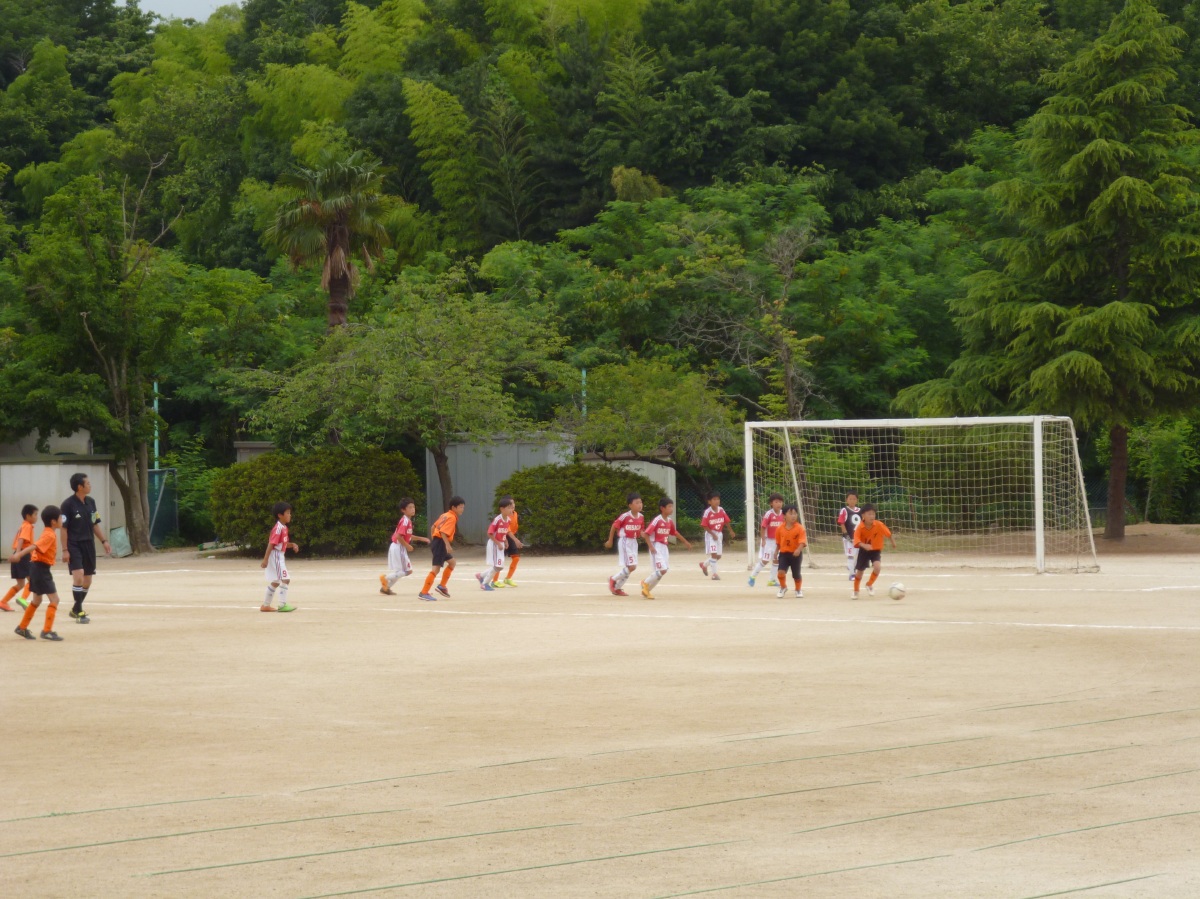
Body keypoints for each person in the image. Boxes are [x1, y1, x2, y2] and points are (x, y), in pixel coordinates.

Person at [60, 472, 112, 624]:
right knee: (79, 576)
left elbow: (94, 524)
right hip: (74, 544)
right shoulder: (67, 504)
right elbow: (63, 529)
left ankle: (75, 608)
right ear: (79, 487)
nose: (90, 485)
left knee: (87, 581)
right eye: (88, 483)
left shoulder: (91, 502)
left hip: (88, 544)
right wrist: (65, 550)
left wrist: (104, 541)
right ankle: (79, 612)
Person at [11, 505, 64, 641]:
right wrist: (19, 554)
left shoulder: (48, 531)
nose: (62, 520)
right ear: (53, 521)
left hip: (36, 568)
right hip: (41, 569)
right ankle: (47, 630)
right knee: (55, 600)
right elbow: (34, 546)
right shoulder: (49, 535)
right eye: (60, 518)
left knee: (37, 600)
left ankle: (22, 627)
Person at [641, 497, 693, 600]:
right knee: (662, 570)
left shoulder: (669, 521)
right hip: (656, 546)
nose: (671, 509)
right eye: (669, 506)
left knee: (661, 572)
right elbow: (646, 534)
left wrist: (685, 542)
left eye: (672, 506)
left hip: (664, 547)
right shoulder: (657, 520)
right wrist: (651, 546)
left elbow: (674, 532)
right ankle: (645, 583)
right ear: (662, 508)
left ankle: (647, 590)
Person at [380, 498, 429, 595]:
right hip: (399, 547)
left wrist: (421, 539)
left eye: (413, 507)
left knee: (399, 572)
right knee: (408, 571)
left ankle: (386, 588)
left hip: (397, 546)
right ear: (403, 510)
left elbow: (408, 535)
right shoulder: (405, 521)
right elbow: (398, 536)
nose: (413, 509)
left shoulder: (407, 521)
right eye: (410, 507)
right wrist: (407, 546)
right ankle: (385, 578)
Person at [419, 497, 464, 601]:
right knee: (436, 569)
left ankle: (442, 586)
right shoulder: (451, 518)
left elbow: (433, 527)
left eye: (463, 507)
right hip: (441, 543)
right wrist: (447, 545)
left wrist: (434, 540)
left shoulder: (445, 515)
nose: (463, 509)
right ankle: (424, 592)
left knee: (452, 562)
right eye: (461, 507)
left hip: (438, 542)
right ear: (453, 507)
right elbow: (443, 532)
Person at [852, 503, 897, 599]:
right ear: (863, 515)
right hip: (864, 551)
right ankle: (856, 591)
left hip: (875, 550)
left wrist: (893, 543)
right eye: (869, 514)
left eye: (873, 514)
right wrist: (864, 545)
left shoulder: (879, 525)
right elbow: (856, 540)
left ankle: (869, 584)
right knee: (860, 572)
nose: (872, 516)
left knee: (877, 567)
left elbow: (889, 534)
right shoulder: (860, 527)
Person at [605, 493, 646, 597]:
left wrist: (644, 534)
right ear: (630, 505)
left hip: (634, 542)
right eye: (637, 503)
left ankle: (617, 588)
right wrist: (610, 540)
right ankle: (613, 579)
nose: (640, 504)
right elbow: (614, 526)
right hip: (625, 541)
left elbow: (641, 530)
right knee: (632, 566)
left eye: (640, 502)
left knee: (631, 567)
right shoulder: (625, 516)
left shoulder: (641, 517)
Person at [260, 502, 298, 612]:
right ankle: (282, 605)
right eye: (287, 513)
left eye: (290, 513)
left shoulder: (284, 527)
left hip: (279, 555)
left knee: (276, 581)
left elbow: (282, 544)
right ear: (280, 515)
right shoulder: (278, 528)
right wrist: (265, 559)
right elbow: (271, 544)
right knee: (286, 579)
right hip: (276, 555)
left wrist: (292, 545)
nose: (290, 515)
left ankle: (265, 605)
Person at [2, 505, 38, 612]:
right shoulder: (27, 526)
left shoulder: (23, 525)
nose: (37, 517)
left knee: (21, 583)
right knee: (33, 580)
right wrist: (18, 554)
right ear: (28, 516)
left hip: (19, 554)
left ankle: (3, 602)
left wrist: (16, 553)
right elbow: (22, 539)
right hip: (23, 555)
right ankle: (23, 599)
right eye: (35, 514)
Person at [477, 497, 515, 592]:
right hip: (494, 544)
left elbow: (503, 532)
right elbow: (489, 533)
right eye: (509, 508)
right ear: (502, 509)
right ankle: (485, 583)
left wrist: (505, 541)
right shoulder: (497, 520)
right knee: (498, 566)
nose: (511, 510)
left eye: (511, 508)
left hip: (500, 544)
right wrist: (498, 543)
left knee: (499, 566)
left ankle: (481, 576)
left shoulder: (508, 520)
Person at [748, 493, 786, 588]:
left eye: (780, 502)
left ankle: (771, 580)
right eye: (776, 502)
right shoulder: (769, 514)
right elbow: (763, 527)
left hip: (778, 542)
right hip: (768, 541)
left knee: (776, 560)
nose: (778, 504)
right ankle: (752, 576)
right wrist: (763, 539)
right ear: (771, 503)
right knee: (765, 560)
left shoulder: (783, 514)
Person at [699, 490, 736, 580]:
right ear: (709, 501)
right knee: (714, 555)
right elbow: (704, 525)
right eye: (714, 499)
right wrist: (712, 534)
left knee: (718, 556)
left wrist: (731, 531)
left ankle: (704, 565)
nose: (717, 501)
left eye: (718, 499)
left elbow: (726, 521)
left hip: (719, 534)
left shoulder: (721, 510)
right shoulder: (708, 512)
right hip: (711, 535)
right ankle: (714, 574)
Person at [774, 504, 807, 599]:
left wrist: (798, 549)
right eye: (791, 513)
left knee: (796, 574)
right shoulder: (779, 529)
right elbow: (778, 543)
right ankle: (783, 587)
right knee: (780, 572)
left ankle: (798, 589)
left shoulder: (800, 528)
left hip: (795, 554)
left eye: (795, 513)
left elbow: (802, 541)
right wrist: (776, 552)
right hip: (784, 554)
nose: (793, 516)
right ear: (784, 515)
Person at [491, 504, 523, 588]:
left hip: (511, 537)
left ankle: (508, 578)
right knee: (500, 560)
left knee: (516, 558)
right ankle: (494, 581)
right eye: (510, 506)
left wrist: (514, 538)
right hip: (502, 536)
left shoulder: (515, 514)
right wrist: (515, 540)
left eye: (513, 505)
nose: (512, 507)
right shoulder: (503, 517)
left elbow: (514, 528)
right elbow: (507, 530)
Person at [837, 492, 862, 582]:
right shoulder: (844, 510)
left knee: (859, 555)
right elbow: (842, 523)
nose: (852, 501)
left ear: (857, 500)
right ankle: (852, 574)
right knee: (851, 555)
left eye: (854, 499)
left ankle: (851, 567)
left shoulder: (860, 510)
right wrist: (846, 535)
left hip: (858, 538)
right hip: (849, 537)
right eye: (850, 499)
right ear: (846, 500)